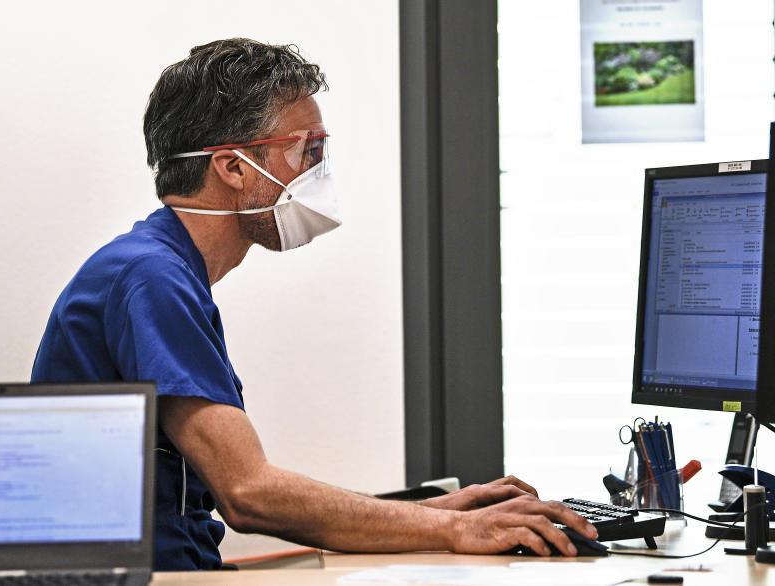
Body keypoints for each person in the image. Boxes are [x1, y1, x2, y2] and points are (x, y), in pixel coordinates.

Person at [31, 38, 597, 571]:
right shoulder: (150, 277)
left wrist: (434, 514)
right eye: (309, 151)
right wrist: (452, 532)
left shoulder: (157, 268)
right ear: (232, 167)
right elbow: (248, 494)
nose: (319, 174)